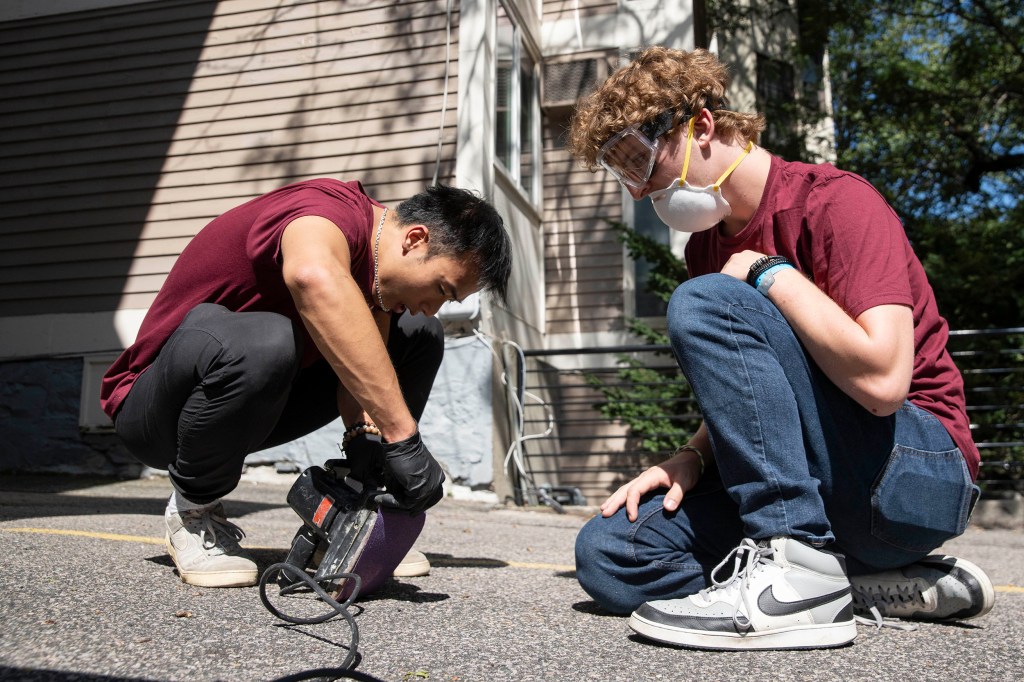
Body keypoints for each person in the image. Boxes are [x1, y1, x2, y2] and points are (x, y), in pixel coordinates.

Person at [567, 47, 994, 650]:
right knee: (613, 554)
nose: (639, 191)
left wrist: (772, 273)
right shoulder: (705, 251)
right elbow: (762, 389)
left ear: (702, 127)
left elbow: (883, 383)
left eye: (641, 160)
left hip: (918, 476)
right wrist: (692, 455)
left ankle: (794, 571)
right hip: (830, 493)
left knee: (704, 299)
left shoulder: (836, 202)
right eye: (623, 172)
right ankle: (854, 583)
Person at [101, 179, 512, 588]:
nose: (433, 306)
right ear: (415, 239)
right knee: (269, 338)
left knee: (419, 335)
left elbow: (361, 382)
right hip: (156, 411)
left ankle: (349, 519)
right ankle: (194, 510)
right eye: (441, 289)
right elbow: (311, 277)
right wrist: (403, 437)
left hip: (249, 403)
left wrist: (373, 451)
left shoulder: (375, 279)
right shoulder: (323, 212)